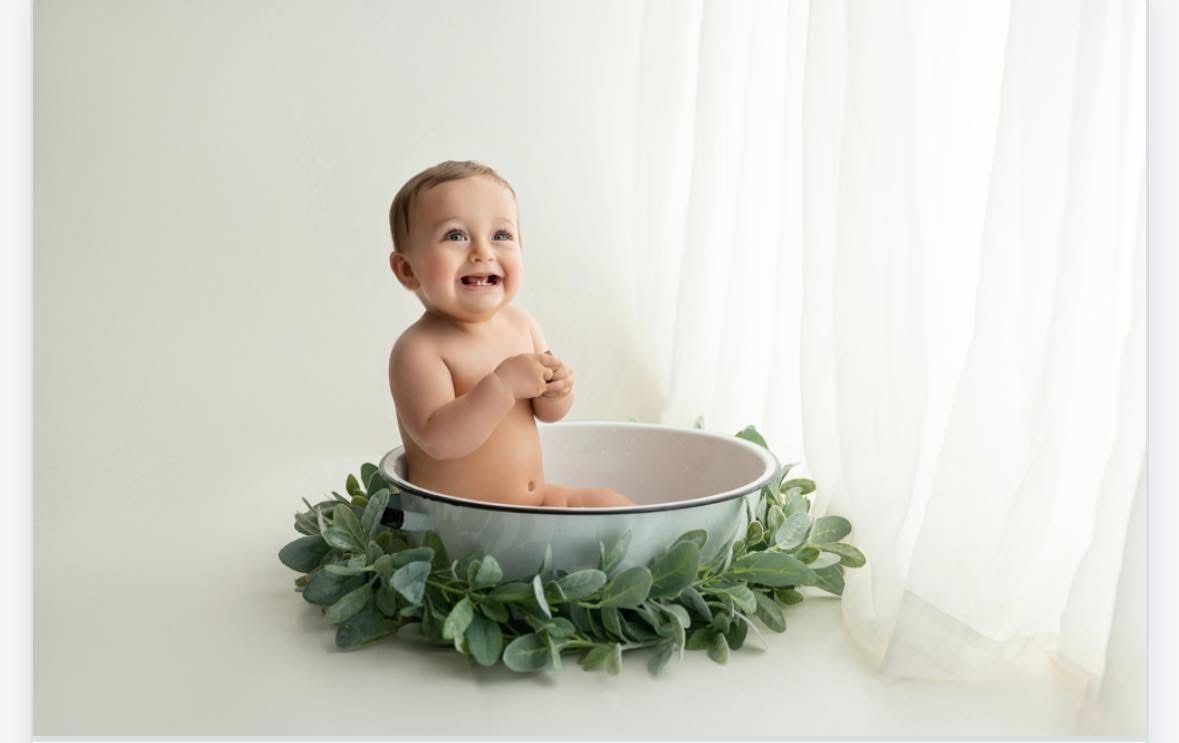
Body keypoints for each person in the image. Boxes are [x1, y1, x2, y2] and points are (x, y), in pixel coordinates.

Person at [386, 160, 635, 508]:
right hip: (464, 521)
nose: (483, 252)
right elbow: (438, 441)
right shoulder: (419, 350)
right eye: (455, 235)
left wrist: (557, 391)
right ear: (408, 270)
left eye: (501, 235)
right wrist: (501, 386)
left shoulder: (522, 325)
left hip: (535, 502)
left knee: (612, 505)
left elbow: (548, 413)